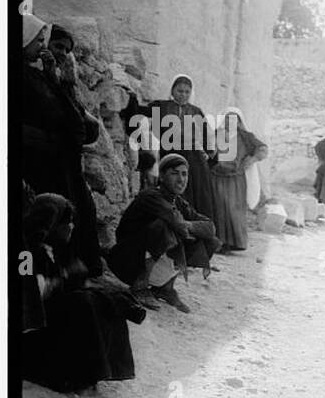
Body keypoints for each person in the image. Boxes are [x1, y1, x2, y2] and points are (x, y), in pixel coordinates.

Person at [21, 193, 143, 393]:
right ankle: (75, 375)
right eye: (66, 222)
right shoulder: (25, 253)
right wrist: (63, 279)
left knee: (105, 298)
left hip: (53, 315)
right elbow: (27, 291)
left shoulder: (57, 249)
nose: (71, 227)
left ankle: (101, 370)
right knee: (84, 303)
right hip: (35, 330)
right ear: (51, 223)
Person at [19, 13, 104, 276]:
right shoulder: (21, 76)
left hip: (62, 162)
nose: (48, 50)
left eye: (65, 50)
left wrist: (62, 84)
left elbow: (85, 128)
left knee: (80, 215)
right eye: (44, 42)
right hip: (40, 164)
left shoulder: (44, 78)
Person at [107, 154, 221, 313]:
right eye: (174, 173)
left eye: (184, 174)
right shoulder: (151, 196)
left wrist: (188, 225)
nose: (181, 180)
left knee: (210, 241)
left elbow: (210, 227)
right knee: (163, 228)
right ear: (161, 176)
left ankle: (165, 288)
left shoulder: (178, 201)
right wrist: (186, 227)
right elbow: (176, 223)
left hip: (143, 257)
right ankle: (139, 287)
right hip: (127, 260)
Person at [152, 74, 216, 219]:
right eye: (180, 91)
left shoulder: (195, 111)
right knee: (172, 187)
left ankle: (194, 226)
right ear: (172, 90)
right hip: (169, 152)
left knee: (195, 192)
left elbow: (205, 132)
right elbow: (151, 125)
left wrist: (208, 152)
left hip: (193, 157)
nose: (183, 95)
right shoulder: (161, 106)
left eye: (187, 92)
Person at [209, 107, 268, 251]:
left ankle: (234, 243)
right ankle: (218, 243)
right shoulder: (217, 134)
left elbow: (262, 149)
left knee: (233, 209)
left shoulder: (246, 137)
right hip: (216, 177)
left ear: (239, 121)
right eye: (228, 118)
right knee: (218, 209)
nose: (230, 121)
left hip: (235, 179)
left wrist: (253, 159)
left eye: (234, 119)